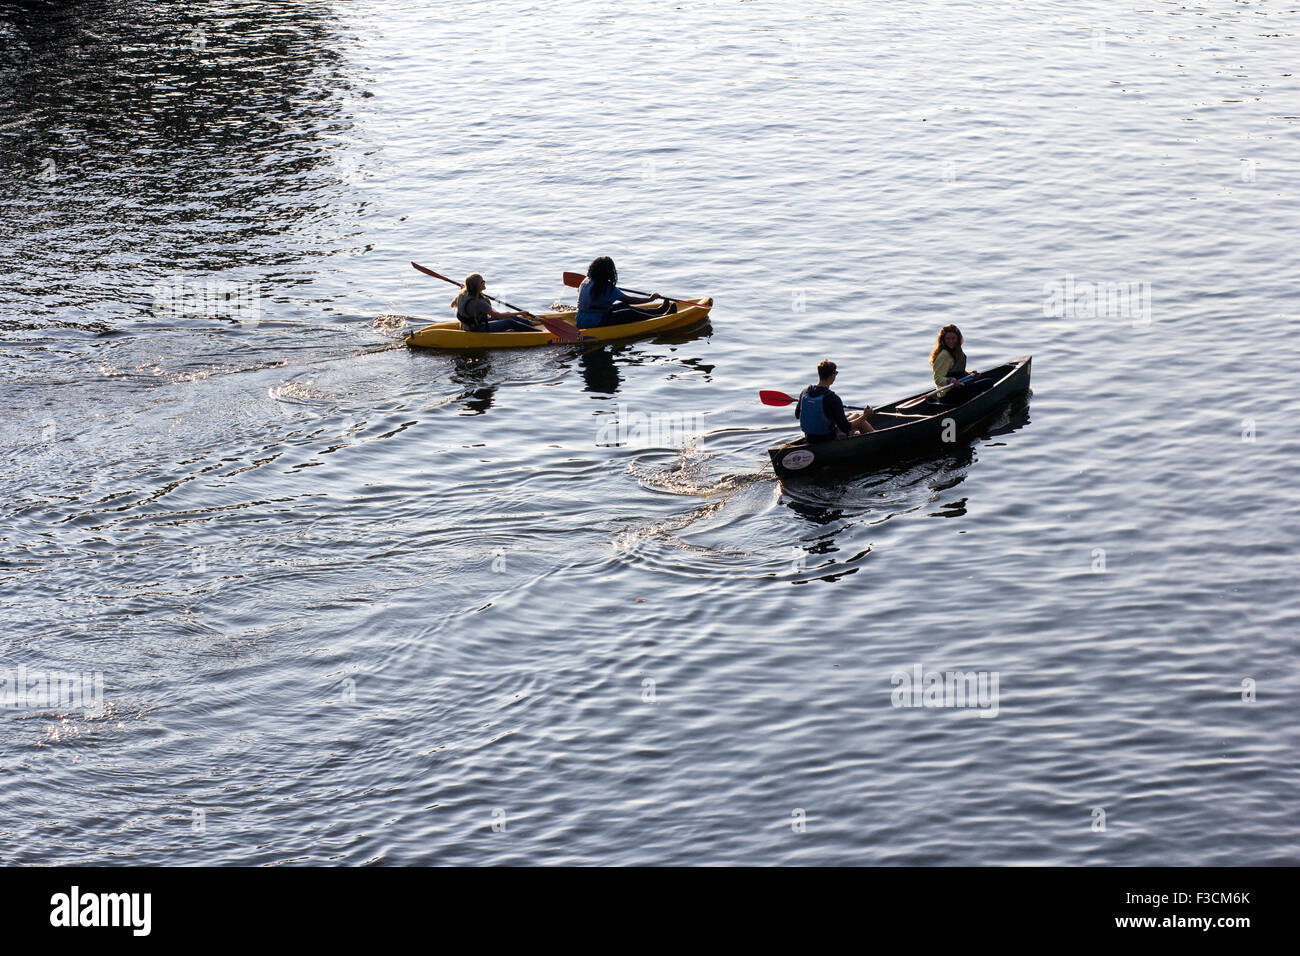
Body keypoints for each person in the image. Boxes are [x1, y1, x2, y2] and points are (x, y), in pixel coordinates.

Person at [575, 257, 676, 330]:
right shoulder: (608, 288)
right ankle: (661, 318)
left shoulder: (585, 281)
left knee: (622, 305)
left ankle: (658, 311)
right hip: (594, 323)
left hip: (580, 319)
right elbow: (631, 300)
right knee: (629, 313)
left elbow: (581, 293)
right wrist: (650, 299)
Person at [795, 359, 874, 442]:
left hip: (810, 437)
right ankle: (876, 439)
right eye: (835, 373)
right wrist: (865, 416)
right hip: (829, 438)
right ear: (832, 376)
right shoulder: (833, 398)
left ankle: (857, 434)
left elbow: (797, 415)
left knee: (850, 415)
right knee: (858, 417)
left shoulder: (805, 392)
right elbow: (846, 428)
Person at [451, 274, 536, 332]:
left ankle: (531, 323)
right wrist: (521, 312)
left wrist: (465, 289)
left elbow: (453, 304)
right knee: (509, 322)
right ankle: (538, 333)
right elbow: (499, 316)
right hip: (476, 328)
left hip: (470, 324)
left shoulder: (462, 294)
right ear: (476, 286)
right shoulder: (479, 303)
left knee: (508, 314)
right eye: (482, 282)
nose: (484, 282)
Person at [929, 324, 987, 403]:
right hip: (948, 394)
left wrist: (970, 375)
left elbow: (957, 372)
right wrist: (949, 380)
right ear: (943, 339)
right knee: (988, 382)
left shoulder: (957, 351)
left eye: (953, 338)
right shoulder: (944, 355)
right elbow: (937, 379)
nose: (951, 341)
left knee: (980, 381)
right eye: (948, 338)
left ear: (958, 338)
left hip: (958, 388)